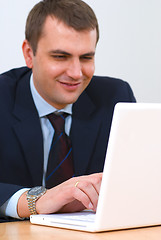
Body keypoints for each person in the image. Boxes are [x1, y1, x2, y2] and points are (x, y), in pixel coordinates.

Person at [0, 0, 136, 222]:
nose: (76, 73)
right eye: (60, 57)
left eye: (86, 57)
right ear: (28, 53)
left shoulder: (115, 96)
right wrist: (38, 200)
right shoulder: (3, 96)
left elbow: (139, 180)